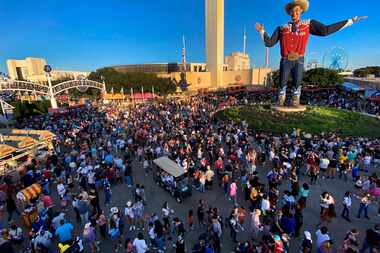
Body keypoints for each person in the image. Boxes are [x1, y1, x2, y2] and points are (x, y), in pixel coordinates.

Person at [255, 0, 366, 106]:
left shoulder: (308, 24)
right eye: (293, 11)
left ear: (301, 11)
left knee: (297, 85)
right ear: (289, 13)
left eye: (297, 10)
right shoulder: (281, 28)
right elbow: (269, 43)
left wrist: (350, 21)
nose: (295, 13)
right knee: (282, 84)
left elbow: (325, 30)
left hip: (299, 60)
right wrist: (262, 31)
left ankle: (295, 103)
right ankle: (280, 102)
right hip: (285, 60)